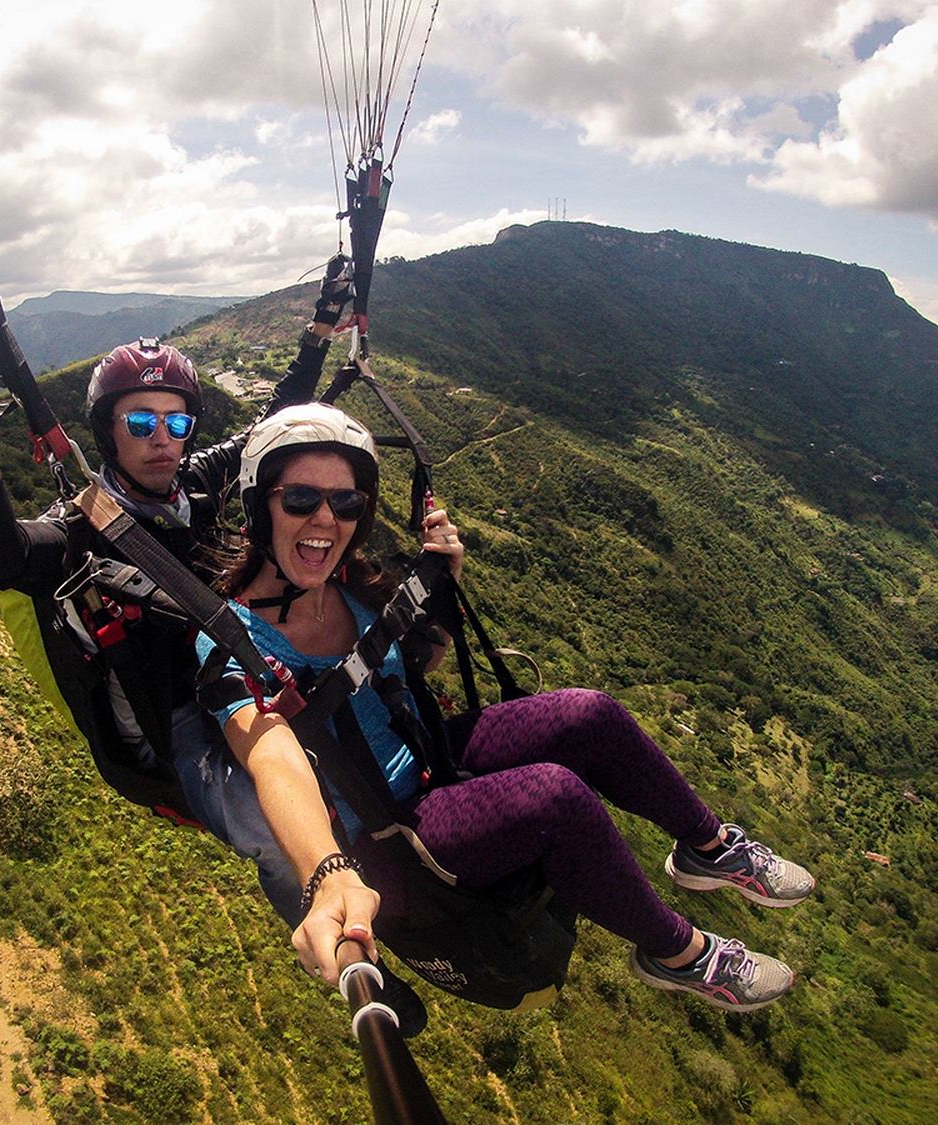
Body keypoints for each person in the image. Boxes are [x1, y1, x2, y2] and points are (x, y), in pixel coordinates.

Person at [196, 403, 816, 1012]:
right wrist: (327, 871)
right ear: (259, 505)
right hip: (385, 832)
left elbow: (411, 666)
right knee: (556, 798)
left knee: (588, 714)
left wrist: (445, 582)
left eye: (348, 502)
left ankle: (708, 846)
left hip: (430, 754)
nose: (326, 519)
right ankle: (679, 954)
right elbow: (270, 753)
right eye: (301, 499)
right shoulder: (230, 642)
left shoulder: (348, 587)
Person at [0, 264, 353, 921]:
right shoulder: (78, 531)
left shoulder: (192, 484)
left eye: (176, 423)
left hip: (236, 674)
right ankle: (338, 944)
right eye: (140, 423)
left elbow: (268, 427)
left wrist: (319, 332)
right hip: (172, 725)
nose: (162, 440)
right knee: (281, 836)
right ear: (109, 430)